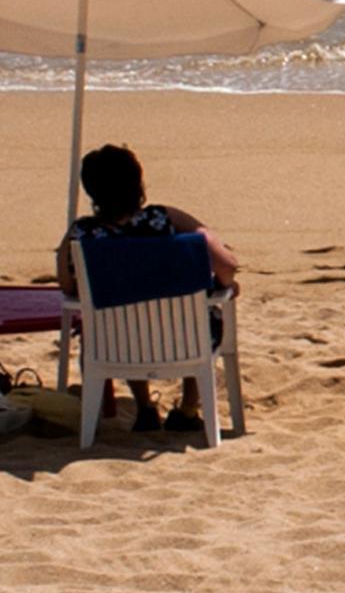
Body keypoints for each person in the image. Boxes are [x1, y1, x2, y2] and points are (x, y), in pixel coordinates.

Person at [59, 144, 240, 435]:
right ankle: (188, 410)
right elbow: (227, 264)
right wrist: (225, 286)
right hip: (186, 341)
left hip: (114, 346)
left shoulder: (81, 234)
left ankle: (144, 407)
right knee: (204, 314)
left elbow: (67, 287)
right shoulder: (165, 219)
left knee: (120, 312)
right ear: (137, 183)